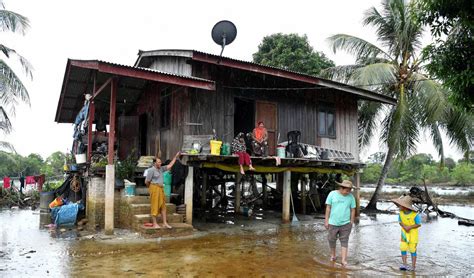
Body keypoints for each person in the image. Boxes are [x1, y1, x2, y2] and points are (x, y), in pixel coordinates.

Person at [324, 180, 357, 267]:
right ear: (341, 188)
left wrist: (351, 221)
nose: (349, 192)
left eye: (350, 190)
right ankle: (333, 255)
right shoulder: (332, 194)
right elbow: (328, 208)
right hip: (333, 223)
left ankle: (343, 260)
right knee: (331, 240)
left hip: (346, 223)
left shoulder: (351, 197)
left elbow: (353, 209)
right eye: (347, 190)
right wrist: (326, 221)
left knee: (344, 241)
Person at [145, 152, 181, 228]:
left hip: (161, 189)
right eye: (159, 162)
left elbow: (170, 165)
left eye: (161, 162)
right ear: (155, 163)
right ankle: (155, 224)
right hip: (154, 188)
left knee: (163, 206)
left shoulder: (161, 168)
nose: (160, 163)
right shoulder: (151, 170)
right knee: (155, 206)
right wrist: (151, 188)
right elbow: (147, 181)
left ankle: (165, 223)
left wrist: (175, 156)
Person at [391, 196, 421, 271]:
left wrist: (409, 227)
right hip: (404, 234)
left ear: (405, 206)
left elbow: (418, 224)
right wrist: (404, 227)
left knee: (412, 250)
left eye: (400, 205)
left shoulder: (415, 214)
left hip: (413, 235)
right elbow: (400, 222)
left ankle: (413, 267)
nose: (399, 207)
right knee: (403, 248)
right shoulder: (401, 213)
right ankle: (404, 264)